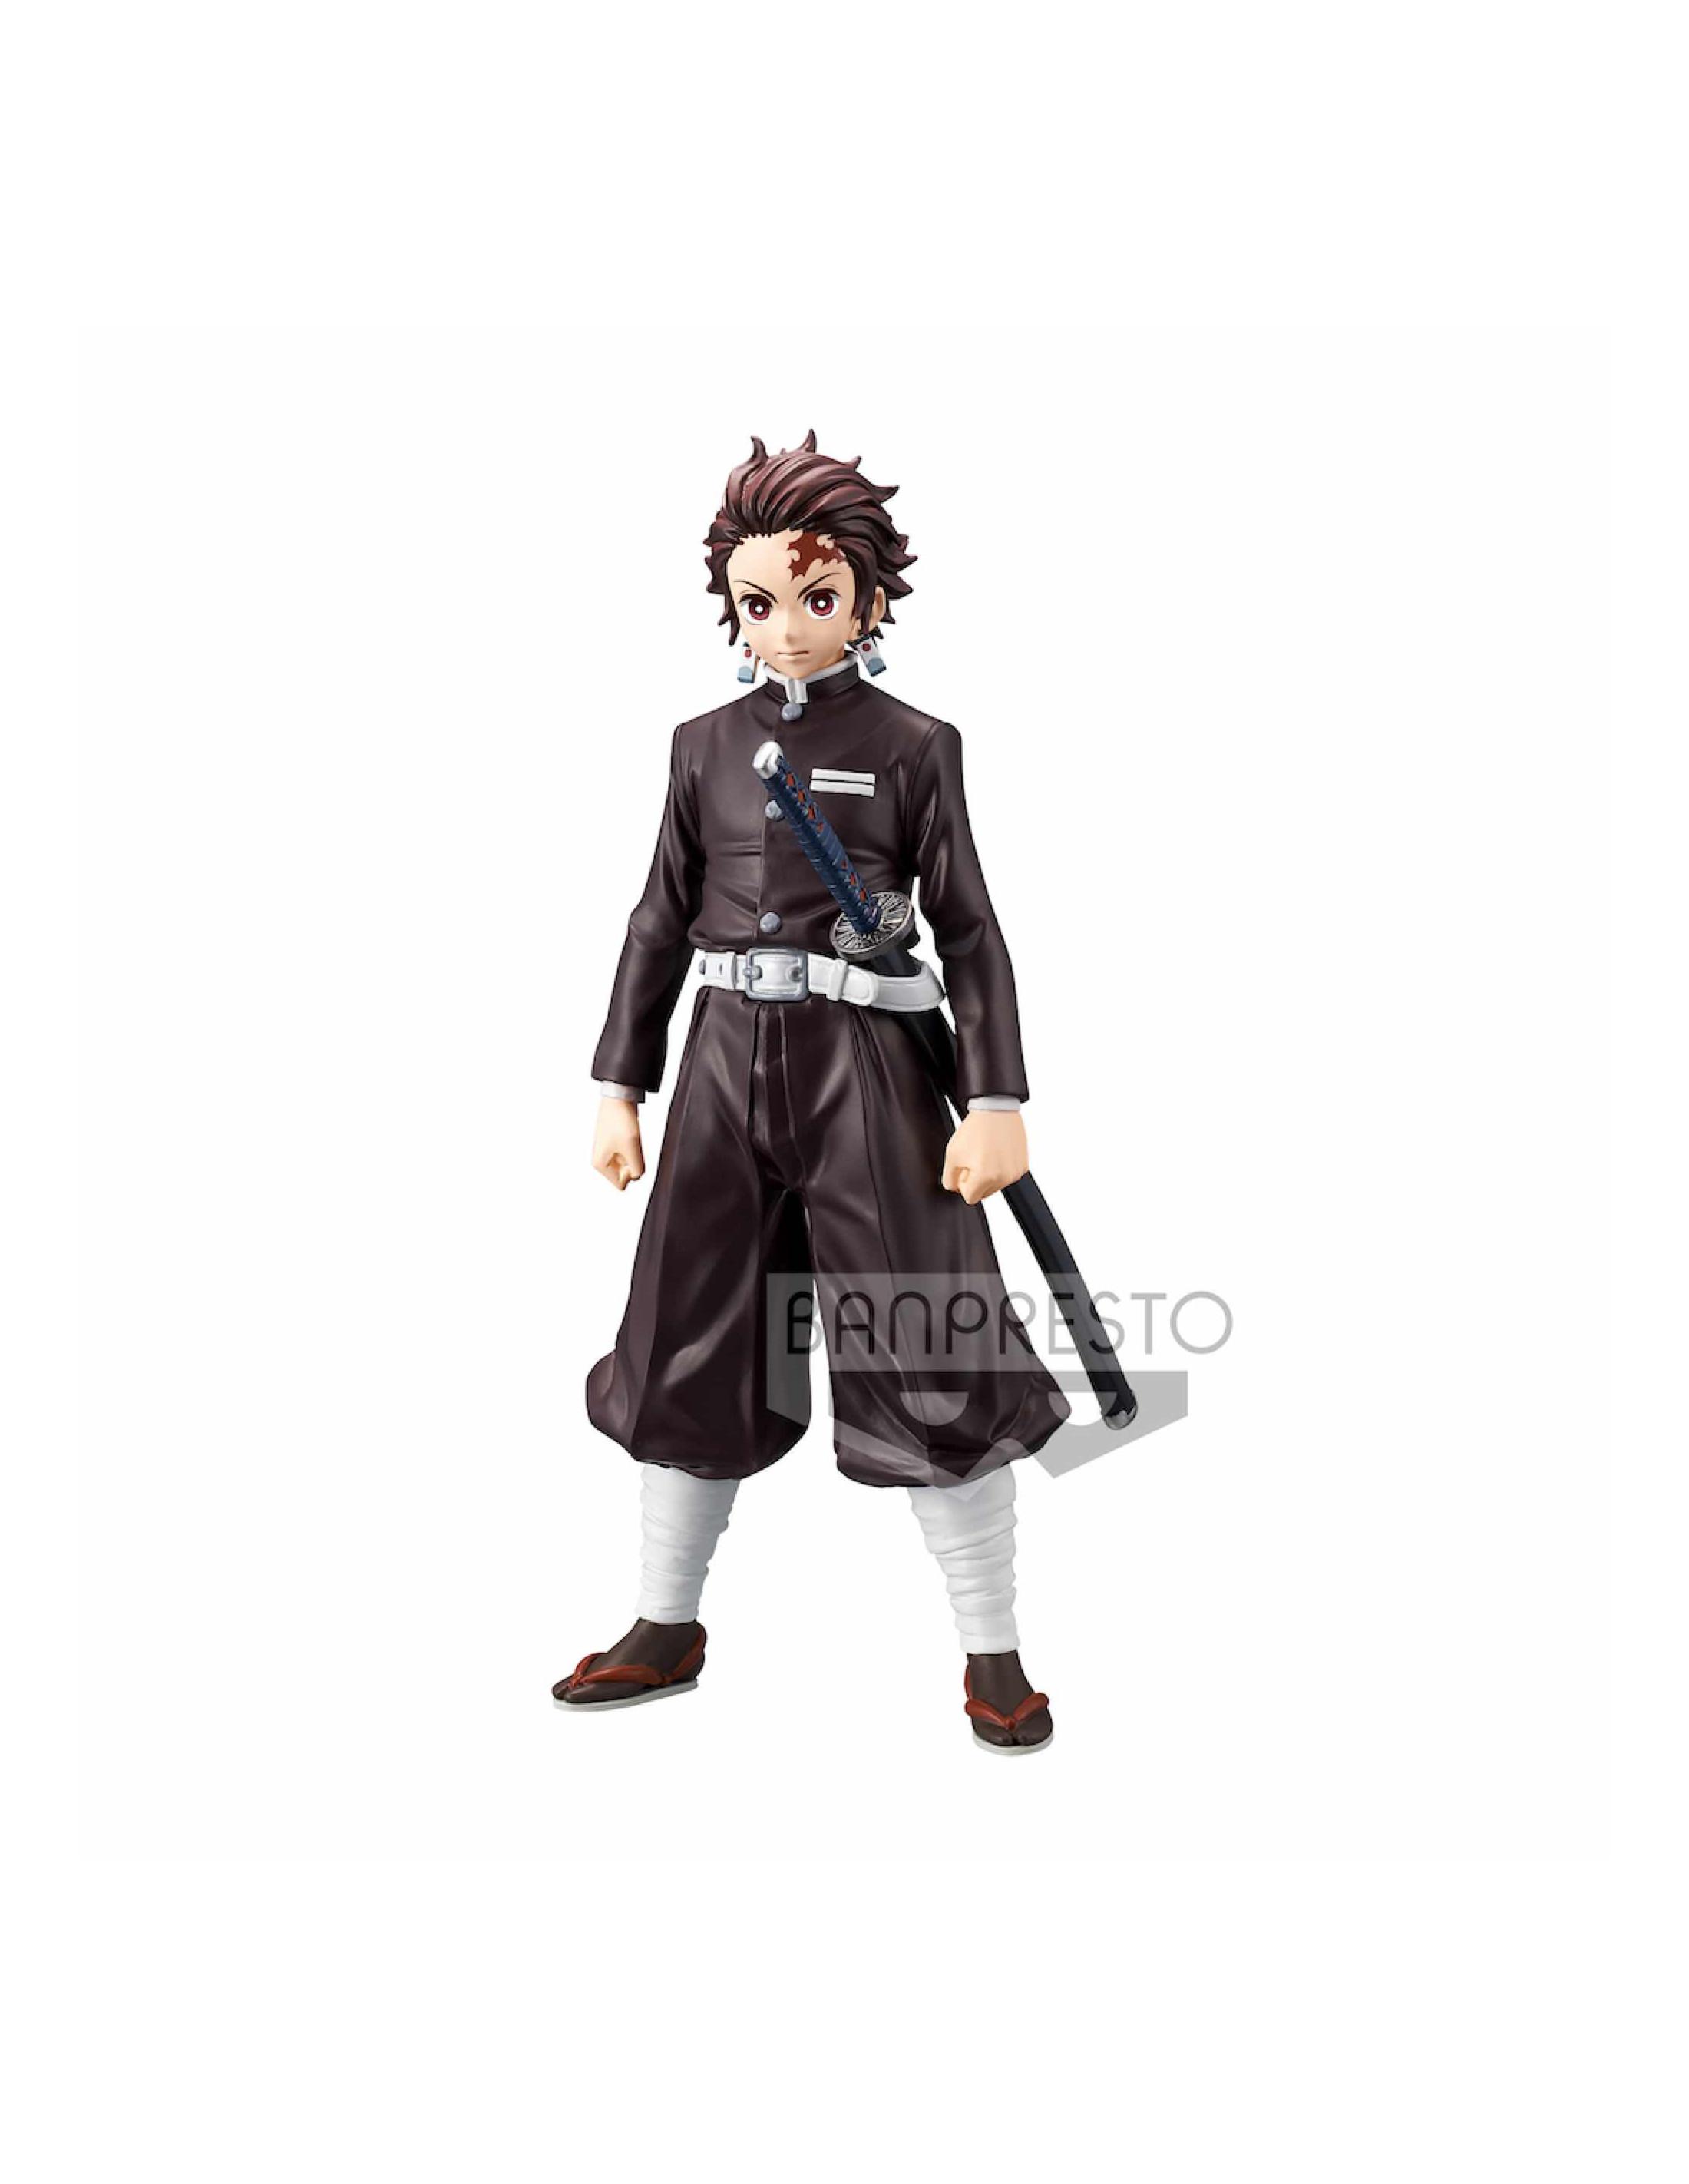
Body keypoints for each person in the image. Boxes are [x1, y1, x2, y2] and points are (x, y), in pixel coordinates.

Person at [553, 433, 1066, 1752]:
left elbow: (970, 929)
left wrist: (995, 1100)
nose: (786, 626)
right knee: (689, 1342)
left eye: (818, 595)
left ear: (870, 600)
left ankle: (994, 1652)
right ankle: (665, 1623)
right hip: (723, 1064)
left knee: (929, 1344)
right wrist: (620, 1081)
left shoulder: (916, 745)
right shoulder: (701, 747)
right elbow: (658, 918)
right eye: (759, 600)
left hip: (870, 1075)